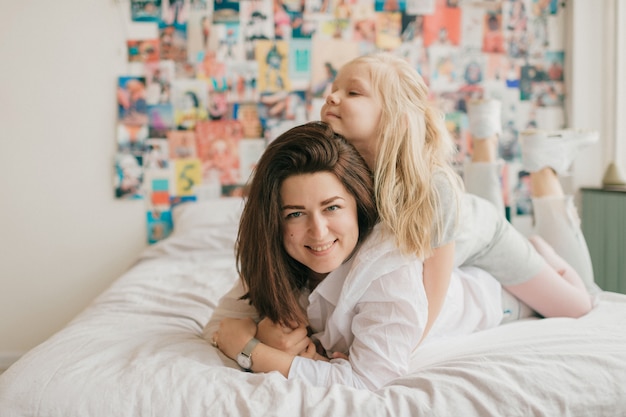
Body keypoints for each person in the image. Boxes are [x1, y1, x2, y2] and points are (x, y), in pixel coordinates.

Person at [206, 118, 595, 391]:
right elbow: (218, 326)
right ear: (273, 222)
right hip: (465, 236)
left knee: (583, 293)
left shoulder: (385, 272)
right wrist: (257, 330)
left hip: (495, 295)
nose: (318, 232)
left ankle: (544, 185)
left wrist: (252, 350)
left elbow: (365, 382)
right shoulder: (278, 258)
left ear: (358, 205)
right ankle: (493, 146)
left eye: (332, 208)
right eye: (295, 214)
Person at [318, 53, 595, 340]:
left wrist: (408, 342)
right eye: (334, 88)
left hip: (487, 239)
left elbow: (434, 288)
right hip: (467, 220)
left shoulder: (433, 187)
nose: (333, 97)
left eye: (352, 92)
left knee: (579, 305)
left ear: (394, 118)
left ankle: (542, 252)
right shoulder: (337, 174)